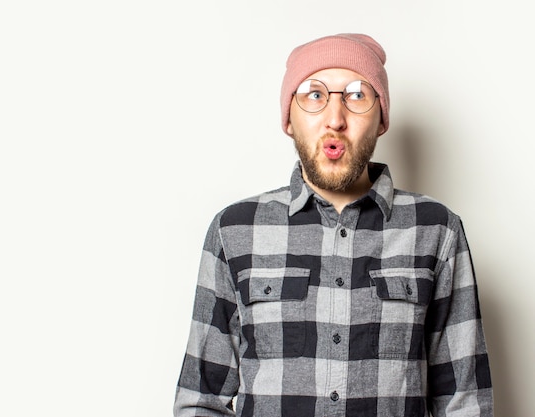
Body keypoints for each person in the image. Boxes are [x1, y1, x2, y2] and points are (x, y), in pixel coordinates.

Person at [173, 33, 493, 417]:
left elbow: (465, 404)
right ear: (289, 119)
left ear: (381, 120)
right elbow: (200, 401)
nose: (335, 119)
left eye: (357, 96)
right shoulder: (234, 231)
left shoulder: (438, 231)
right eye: (314, 95)